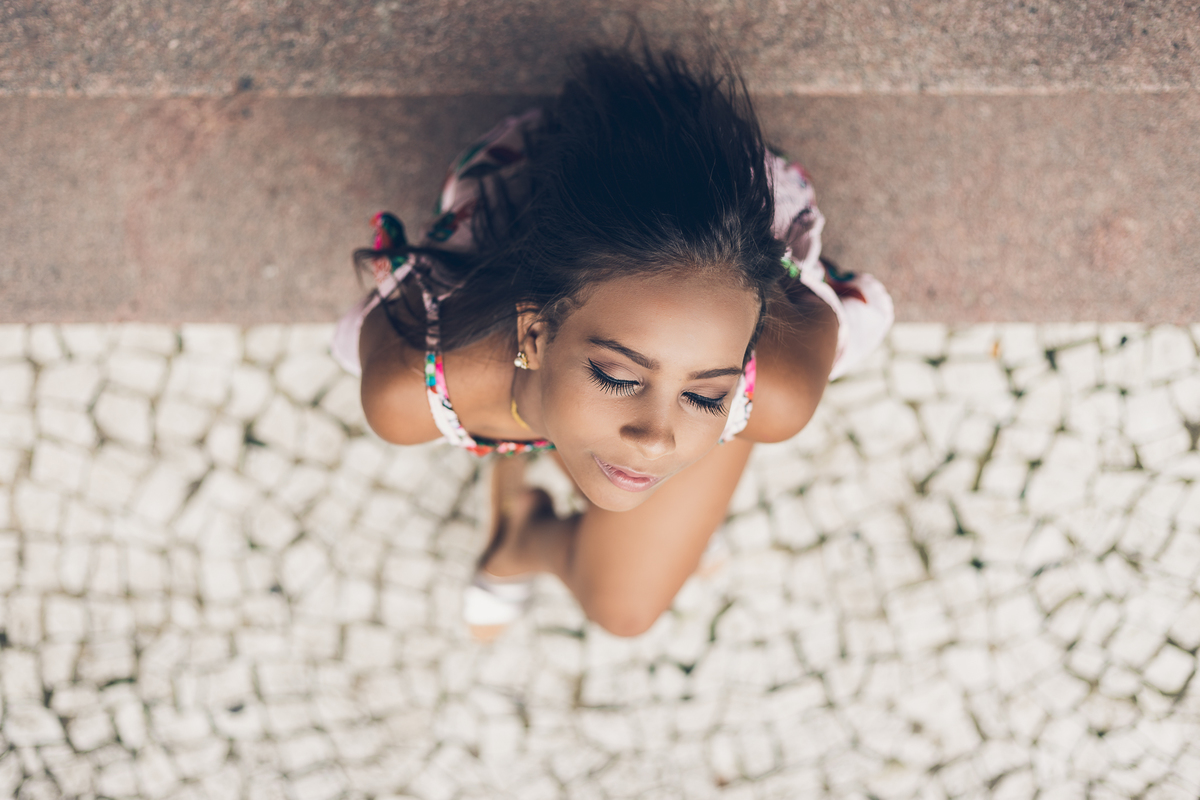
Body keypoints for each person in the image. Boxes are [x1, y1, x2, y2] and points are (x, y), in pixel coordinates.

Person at [332, 46, 893, 640]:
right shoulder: (410, 387)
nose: (656, 439)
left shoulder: (777, 390)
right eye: (617, 376)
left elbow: (846, 304)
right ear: (534, 333)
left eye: (705, 396)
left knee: (622, 611)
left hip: (708, 235)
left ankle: (524, 536)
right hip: (527, 182)